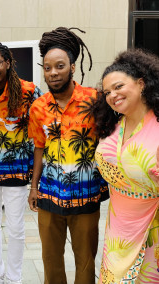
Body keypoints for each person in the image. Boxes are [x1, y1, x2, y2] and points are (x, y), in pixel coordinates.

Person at [28, 27, 109, 284]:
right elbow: (39, 148)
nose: (53, 73)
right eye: (48, 68)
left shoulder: (95, 100)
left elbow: (109, 143)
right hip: (49, 196)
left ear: (72, 67)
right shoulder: (38, 107)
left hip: (86, 196)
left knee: (85, 260)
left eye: (60, 66)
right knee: (51, 261)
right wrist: (33, 187)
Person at [0, 42, 42, 284]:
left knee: (15, 229)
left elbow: (41, 133)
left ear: (8, 63)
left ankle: (13, 278)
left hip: (17, 175)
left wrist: (36, 181)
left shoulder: (29, 91)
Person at [90, 48, 159, 283]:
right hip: (118, 227)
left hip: (152, 226)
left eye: (119, 87)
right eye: (107, 92)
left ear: (141, 84)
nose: (112, 95)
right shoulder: (113, 125)